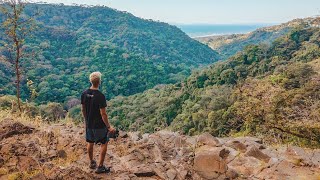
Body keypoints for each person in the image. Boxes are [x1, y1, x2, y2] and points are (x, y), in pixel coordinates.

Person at [81, 72, 115, 174]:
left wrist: (86, 120)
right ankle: (100, 166)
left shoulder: (84, 94)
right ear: (99, 82)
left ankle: (91, 162)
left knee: (90, 142)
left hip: (89, 123)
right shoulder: (100, 96)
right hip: (99, 125)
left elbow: (83, 109)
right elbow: (103, 114)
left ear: (90, 81)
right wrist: (109, 127)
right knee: (104, 143)